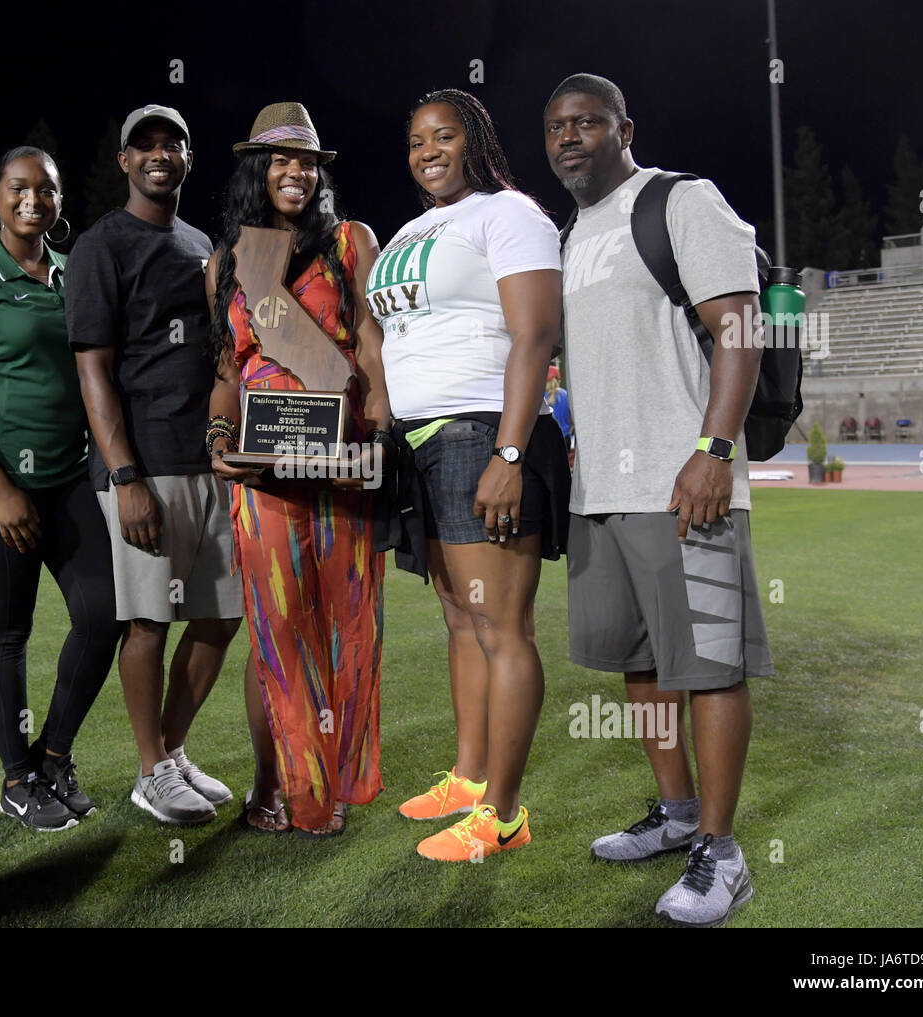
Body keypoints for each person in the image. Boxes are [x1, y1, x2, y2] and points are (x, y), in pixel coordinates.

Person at [545, 73, 774, 926]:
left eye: (588, 122)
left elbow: (739, 328)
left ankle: (723, 851)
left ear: (623, 128)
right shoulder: (573, 235)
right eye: (558, 126)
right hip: (601, 488)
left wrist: (714, 450)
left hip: (688, 480)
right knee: (642, 662)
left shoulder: (681, 200)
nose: (571, 137)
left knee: (709, 663)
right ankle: (676, 815)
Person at [368, 89, 568, 861]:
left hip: (481, 430)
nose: (428, 151)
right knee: (459, 621)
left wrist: (510, 453)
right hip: (420, 443)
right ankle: (471, 775)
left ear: (474, 138)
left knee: (501, 626)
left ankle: (507, 816)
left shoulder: (508, 213)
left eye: (444, 136)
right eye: (417, 140)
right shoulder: (412, 228)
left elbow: (536, 334)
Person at [207, 102, 391, 838]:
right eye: (281, 161)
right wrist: (219, 427)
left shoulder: (350, 241)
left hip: (340, 460)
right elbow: (228, 366)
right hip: (261, 475)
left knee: (350, 624)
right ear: (258, 169)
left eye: (308, 162)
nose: (296, 173)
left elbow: (371, 344)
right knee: (277, 629)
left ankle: (339, 779)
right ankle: (294, 783)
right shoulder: (229, 260)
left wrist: (378, 425)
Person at [0, 146, 120, 831]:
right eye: (19, 188)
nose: (32, 199)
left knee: (105, 611)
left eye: (46, 188)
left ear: (60, 201)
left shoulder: (74, 276)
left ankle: (55, 755)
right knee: (9, 630)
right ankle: (17, 778)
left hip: (66, 477)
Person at [66, 105, 244, 826]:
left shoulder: (204, 243)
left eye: (173, 143)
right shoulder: (101, 246)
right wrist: (125, 475)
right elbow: (93, 372)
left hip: (209, 460)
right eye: (145, 145)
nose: (160, 153)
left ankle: (171, 752)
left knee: (221, 616)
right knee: (147, 621)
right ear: (124, 161)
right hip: (146, 465)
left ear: (189, 159)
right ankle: (148, 770)